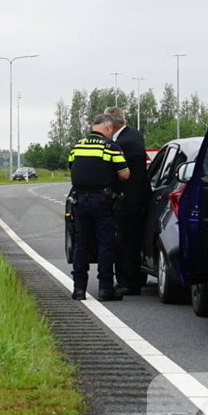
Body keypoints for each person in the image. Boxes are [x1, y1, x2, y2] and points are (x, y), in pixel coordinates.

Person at [68, 114, 130, 302]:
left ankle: (79, 289)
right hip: (102, 202)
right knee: (105, 245)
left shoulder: (77, 146)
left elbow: (72, 166)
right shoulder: (111, 146)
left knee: (81, 244)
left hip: (79, 201)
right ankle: (105, 289)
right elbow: (125, 174)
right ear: (109, 128)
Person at [105, 106, 150, 296]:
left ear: (110, 125)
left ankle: (129, 282)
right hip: (138, 196)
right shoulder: (133, 134)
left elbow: (122, 174)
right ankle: (132, 278)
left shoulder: (123, 142)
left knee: (126, 241)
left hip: (129, 199)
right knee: (131, 239)